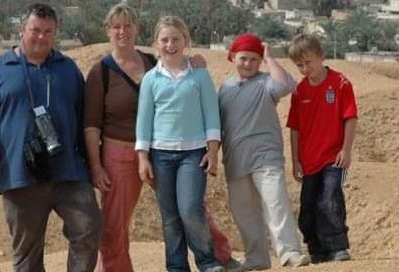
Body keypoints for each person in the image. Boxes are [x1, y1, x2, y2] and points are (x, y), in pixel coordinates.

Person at [84, 4, 239, 272]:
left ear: (138, 30)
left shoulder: (150, 62)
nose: (123, 31)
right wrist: (96, 166)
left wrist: (196, 62)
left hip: (164, 149)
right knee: (116, 222)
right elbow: (91, 125)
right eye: (117, 26)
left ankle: (219, 258)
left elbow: (178, 72)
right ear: (108, 31)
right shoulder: (102, 72)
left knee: (192, 208)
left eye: (129, 25)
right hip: (120, 154)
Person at [0, 3, 102, 271]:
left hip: (69, 172)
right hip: (20, 175)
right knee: (27, 255)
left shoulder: (68, 68)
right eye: (35, 30)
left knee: (88, 228)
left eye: (48, 31)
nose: (41, 37)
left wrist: (93, 164)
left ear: (56, 33)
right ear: (22, 29)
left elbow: (85, 118)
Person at [135, 15, 225, 272]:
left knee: (190, 210)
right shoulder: (151, 79)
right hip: (160, 155)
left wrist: (213, 150)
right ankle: (176, 267)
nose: (170, 44)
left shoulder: (199, 75)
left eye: (176, 39)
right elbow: (144, 120)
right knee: (170, 217)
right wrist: (143, 158)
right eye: (164, 40)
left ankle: (207, 262)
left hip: (193, 155)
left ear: (186, 41)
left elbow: (211, 113)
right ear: (156, 44)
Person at [218, 33, 311, 271]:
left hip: (266, 157)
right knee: (244, 213)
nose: (248, 64)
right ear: (232, 57)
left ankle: (290, 252)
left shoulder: (266, 82)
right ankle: (257, 258)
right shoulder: (224, 90)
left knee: (276, 203)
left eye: (253, 59)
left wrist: (269, 57)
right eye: (243, 58)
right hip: (236, 160)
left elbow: (286, 85)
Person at [287, 33, 358, 263]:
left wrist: (345, 150)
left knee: (330, 200)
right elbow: (294, 128)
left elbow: (350, 118)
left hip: (333, 158)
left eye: (309, 62)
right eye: (300, 65)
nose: (305, 68)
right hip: (309, 161)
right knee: (307, 208)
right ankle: (316, 250)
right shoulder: (299, 92)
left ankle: (338, 247)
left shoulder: (340, 84)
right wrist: (296, 160)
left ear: (321, 56)